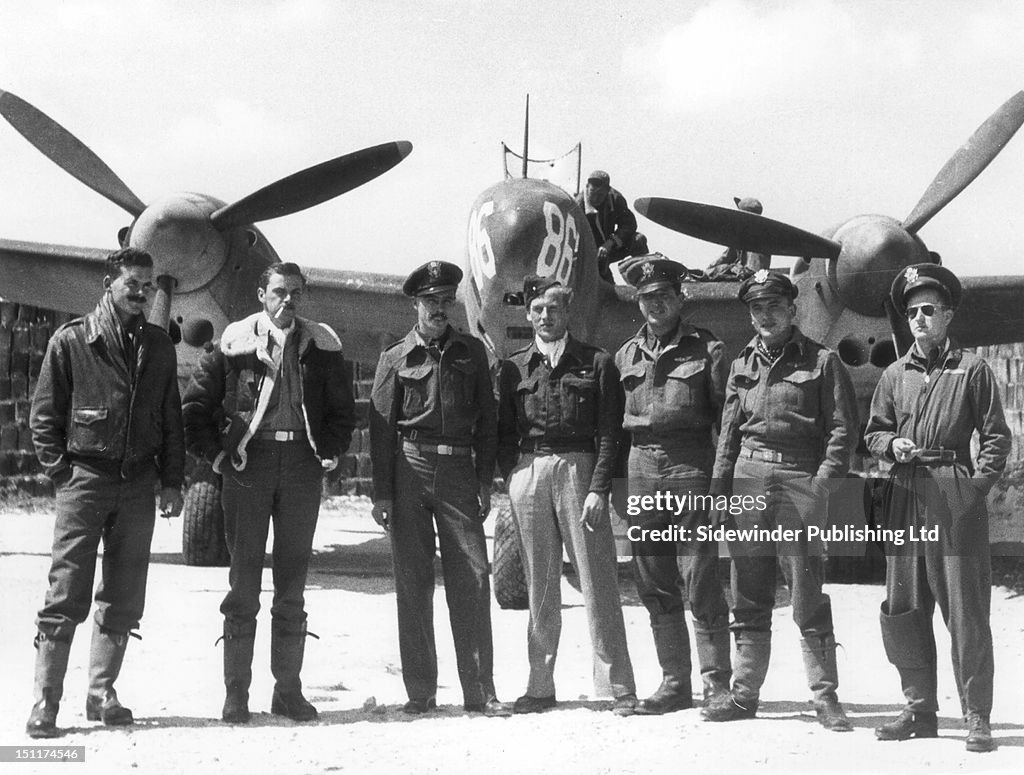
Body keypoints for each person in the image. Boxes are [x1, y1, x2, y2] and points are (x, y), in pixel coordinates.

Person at [182, 261, 356, 724]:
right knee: (242, 583)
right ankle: (236, 693)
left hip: (301, 466)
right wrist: (217, 458)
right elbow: (195, 407)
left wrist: (330, 451)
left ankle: (288, 690)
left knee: (293, 581)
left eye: (296, 293)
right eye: (279, 292)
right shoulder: (233, 342)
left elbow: (343, 411)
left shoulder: (322, 345)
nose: (288, 301)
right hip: (248, 465)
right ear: (262, 294)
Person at [26, 246, 185, 738]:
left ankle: (101, 693)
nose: (140, 292)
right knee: (66, 590)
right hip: (86, 481)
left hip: (138, 484)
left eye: (147, 284)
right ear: (108, 284)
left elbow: (171, 419)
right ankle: (46, 704)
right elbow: (43, 418)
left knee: (123, 593)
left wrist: (173, 480)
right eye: (130, 283)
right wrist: (63, 476)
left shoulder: (158, 346)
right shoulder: (72, 340)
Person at [864, 264, 1010, 753]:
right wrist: (891, 445)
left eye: (929, 310)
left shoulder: (973, 370)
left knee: (966, 609)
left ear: (947, 315)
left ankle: (976, 716)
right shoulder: (893, 373)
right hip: (904, 490)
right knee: (903, 605)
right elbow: (873, 432)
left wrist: (974, 489)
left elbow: (995, 438)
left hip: (951, 489)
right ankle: (919, 709)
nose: (920, 319)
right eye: (912, 312)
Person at [705, 269, 857, 731]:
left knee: (807, 594)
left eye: (774, 306)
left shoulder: (823, 361)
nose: (765, 316)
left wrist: (822, 487)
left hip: (798, 479)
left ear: (792, 310)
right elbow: (728, 435)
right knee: (747, 592)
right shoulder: (741, 364)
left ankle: (825, 698)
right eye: (757, 308)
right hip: (748, 479)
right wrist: (719, 492)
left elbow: (842, 432)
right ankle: (744, 694)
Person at [368, 260, 505, 717]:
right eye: (431, 301)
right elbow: (381, 430)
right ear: (416, 304)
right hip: (409, 468)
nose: (439, 309)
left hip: (459, 471)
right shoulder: (394, 359)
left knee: (473, 577)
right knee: (413, 581)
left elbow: (489, 423)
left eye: (447, 301)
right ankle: (420, 690)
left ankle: (480, 690)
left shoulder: (472, 354)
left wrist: (485, 479)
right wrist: (382, 494)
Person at [497, 274, 637, 716]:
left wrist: (598, 487)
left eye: (553, 309)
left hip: (579, 469)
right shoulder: (513, 367)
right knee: (539, 583)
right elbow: (502, 430)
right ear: (527, 314)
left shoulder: (596, 363)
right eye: (537, 310)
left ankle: (618, 686)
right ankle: (540, 686)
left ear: (567, 311)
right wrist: (514, 477)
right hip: (530, 469)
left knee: (598, 579)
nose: (544, 317)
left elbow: (611, 432)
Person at [614, 255, 732, 715]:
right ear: (639, 303)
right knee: (652, 579)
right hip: (642, 468)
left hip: (690, 468)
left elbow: (726, 421)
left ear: (680, 299)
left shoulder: (708, 350)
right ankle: (673, 681)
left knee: (699, 576)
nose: (655, 305)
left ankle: (716, 684)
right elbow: (613, 424)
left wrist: (723, 482)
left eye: (664, 296)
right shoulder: (626, 355)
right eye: (647, 299)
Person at [574, 170, 649, 284]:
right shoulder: (578, 207)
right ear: (587, 187)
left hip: (610, 246)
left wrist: (610, 243)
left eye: (600, 195)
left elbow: (629, 224)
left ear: (607, 191)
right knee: (606, 290)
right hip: (589, 254)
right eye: (592, 193)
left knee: (638, 240)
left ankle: (647, 279)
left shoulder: (616, 198)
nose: (595, 199)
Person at [706, 197, 771, 279]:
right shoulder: (741, 237)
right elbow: (725, 257)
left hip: (753, 279)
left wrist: (732, 268)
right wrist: (711, 270)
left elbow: (754, 271)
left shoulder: (757, 240)